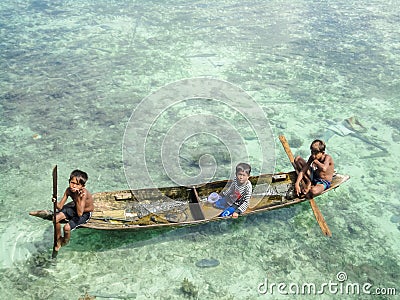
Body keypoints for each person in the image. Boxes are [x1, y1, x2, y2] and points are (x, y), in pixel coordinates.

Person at [53, 169, 94, 250]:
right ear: (69, 181)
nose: (74, 186)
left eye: (77, 184)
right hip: (76, 208)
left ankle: (64, 242)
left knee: (66, 228)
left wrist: (78, 198)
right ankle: (58, 238)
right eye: (72, 183)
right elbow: (60, 206)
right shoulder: (68, 190)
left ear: (82, 186)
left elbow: (80, 214)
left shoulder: (83, 194)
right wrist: (55, 201)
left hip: (85, 213)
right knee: (55, 218)